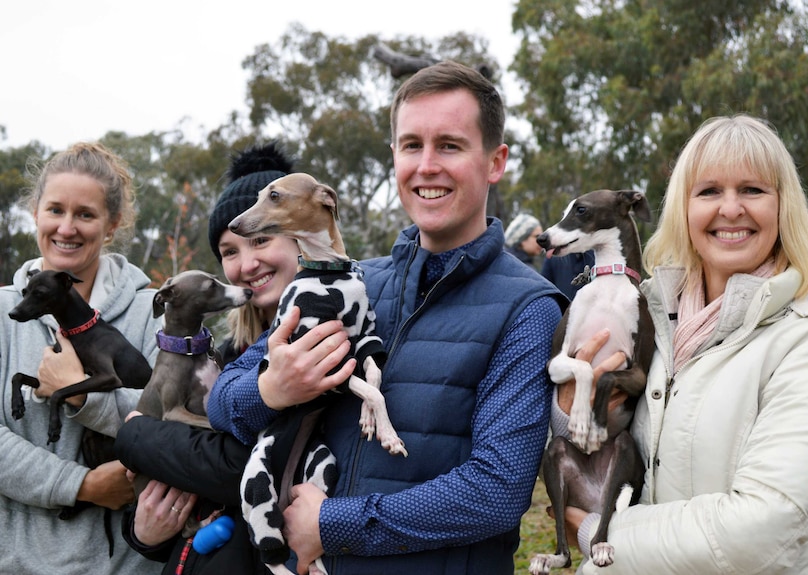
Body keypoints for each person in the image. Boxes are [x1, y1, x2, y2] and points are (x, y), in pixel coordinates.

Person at [206, 60, 573, 574]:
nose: (427, 166)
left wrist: (332, 523)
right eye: (411, 146)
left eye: (449, 145)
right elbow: (221, 402)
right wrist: (272, 389)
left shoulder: (529, 309)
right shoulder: (347, 283)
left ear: (495, 162)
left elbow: (498, 489)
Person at [559, 114, 808, 574]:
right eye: (709, 191)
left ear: (785, 207)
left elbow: (764, 532)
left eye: (753, 190)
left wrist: (605, 535)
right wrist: (568, 412)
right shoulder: (654, 319)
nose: (731, 208)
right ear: (684, 208)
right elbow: (596, 446)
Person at [114, 143, 302, 574]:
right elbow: (190, 485)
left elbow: (239, 465)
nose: (248, 263)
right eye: (230, 251)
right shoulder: (227, 355)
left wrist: (136, 437)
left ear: (299, 238)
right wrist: (143, 535)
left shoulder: (315, 343)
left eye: (260, 239)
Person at [0, 142, 163, 574]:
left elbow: (171, 421)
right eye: (55, 210)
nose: (67, 228)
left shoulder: (153, 314)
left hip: (127, 566)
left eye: (85, 214)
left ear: (112, 226)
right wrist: (82, 485)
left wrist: (80, 396)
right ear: (35, 213)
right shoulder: (2, 314)